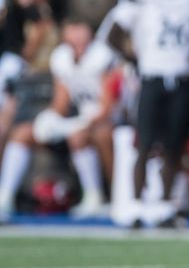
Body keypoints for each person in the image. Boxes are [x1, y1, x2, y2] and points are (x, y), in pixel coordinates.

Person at [106, 0, 189, 222]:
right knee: (145, 142)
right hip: (151, 77)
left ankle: (164, 203)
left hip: (181, 78)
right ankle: (137, 204)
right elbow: (113, 35)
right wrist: (135, 60)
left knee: (174, 144)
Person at [0, 18, 117, 222]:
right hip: (78, 118)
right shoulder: (62, 57)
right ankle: (5, 197)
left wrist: (79, 123)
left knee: (79, 137)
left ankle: (96, 196)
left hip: (102, 119)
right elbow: (61, 101)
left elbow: (108, 105)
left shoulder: (103, 56)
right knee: (22, 134)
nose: (77, 36)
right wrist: (50, 118)